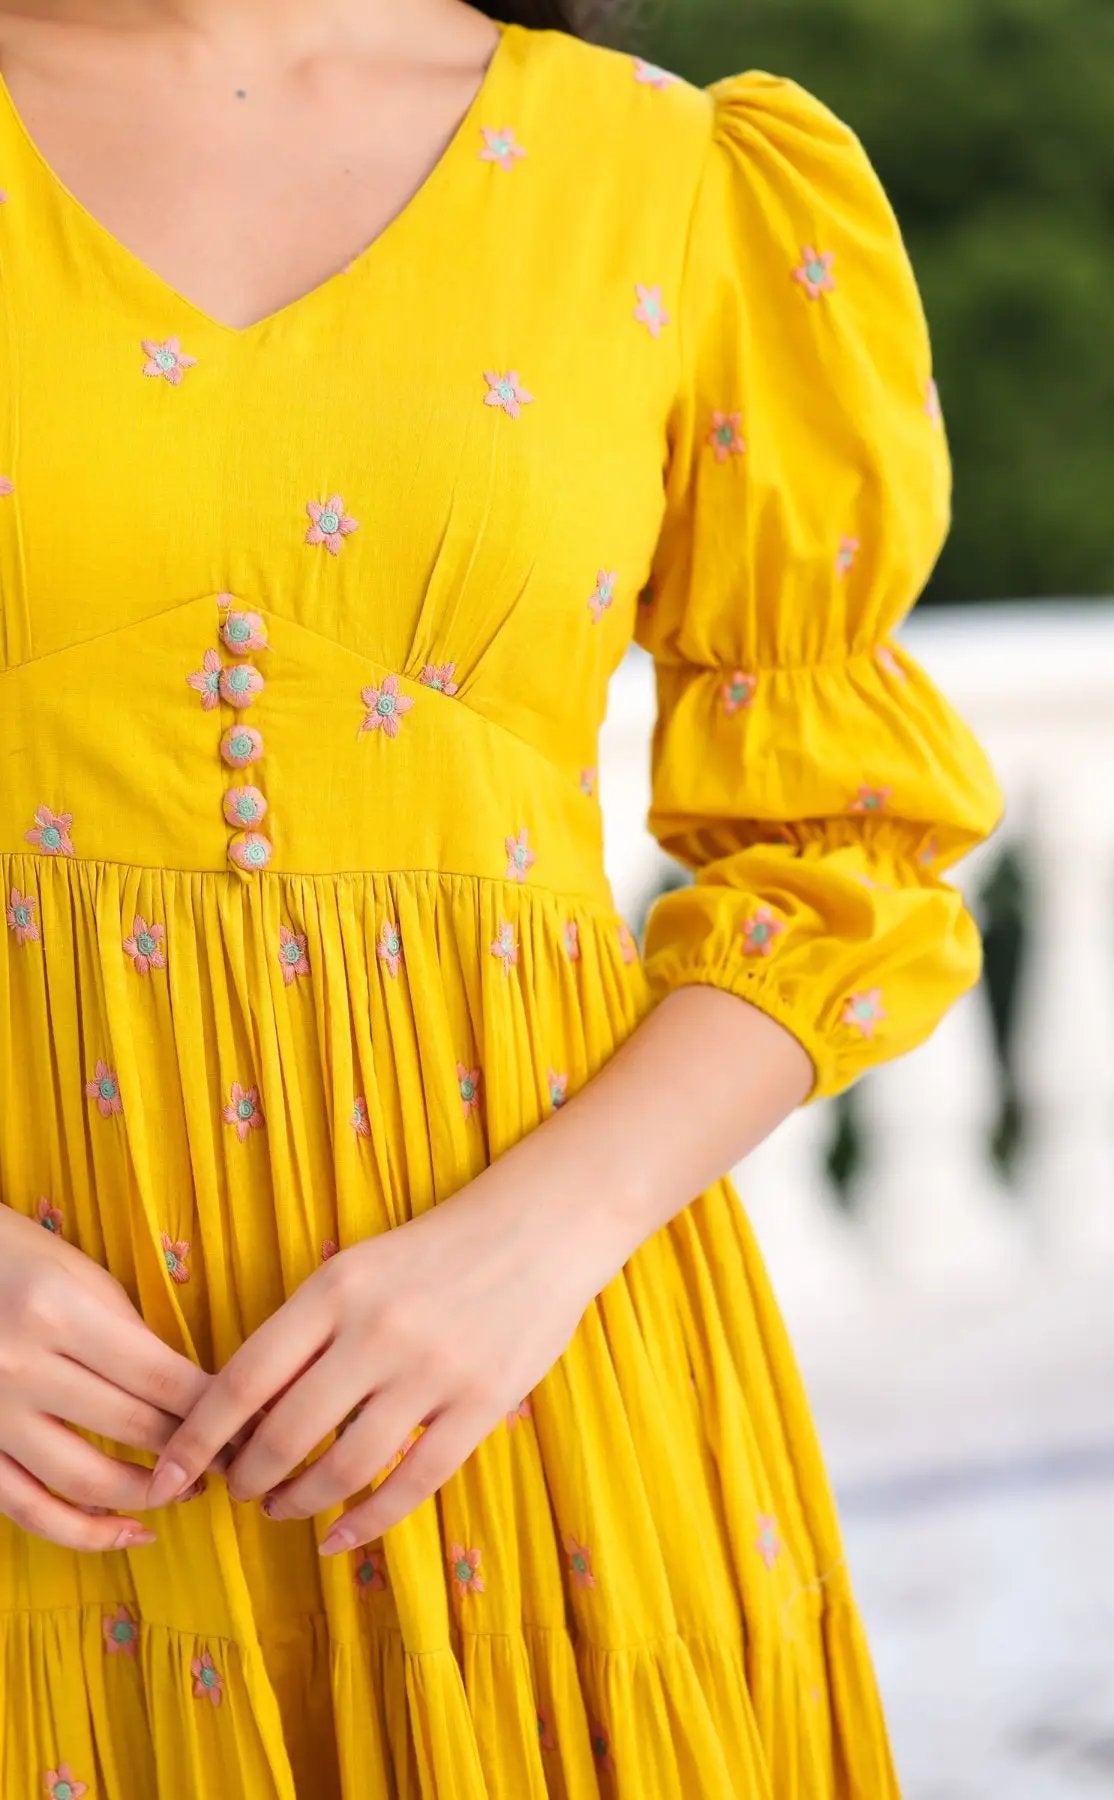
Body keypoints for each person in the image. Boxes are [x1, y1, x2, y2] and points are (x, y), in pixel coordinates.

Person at [0, 0, 1004, 1794]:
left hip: (532, 1404)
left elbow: (842, 844)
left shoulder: (676, 178)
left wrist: (532, 1250)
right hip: (42, 1449)